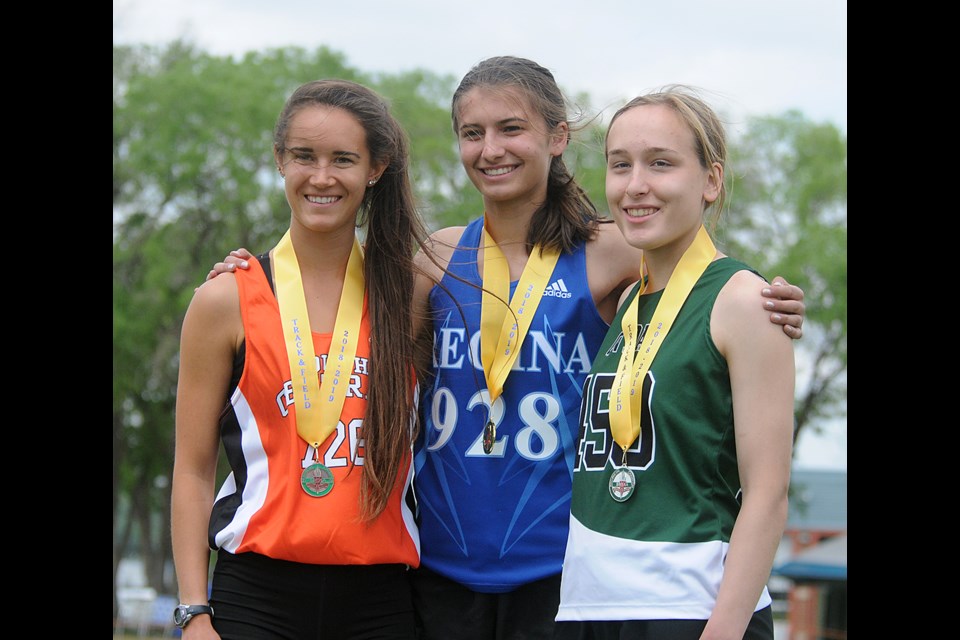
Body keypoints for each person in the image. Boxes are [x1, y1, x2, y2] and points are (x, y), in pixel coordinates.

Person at [207, 57, 805, 640]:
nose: (491, 149)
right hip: (440, 569)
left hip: (560, 573)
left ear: (558, 137)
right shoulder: (436, 258)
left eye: (511, 128)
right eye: (473, 133)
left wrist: (773, 297)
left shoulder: (612, 250)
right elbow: (337, 314)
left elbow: (695, 277)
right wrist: (248, 274)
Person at [171, 79, 430, 640]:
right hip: (256, 596)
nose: (321, 177)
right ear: (279, 161)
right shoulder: (225, 299)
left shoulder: (412, 296)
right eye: (303, 157)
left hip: (380, 597)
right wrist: (193, 611)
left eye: (343, 159)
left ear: (376, 168)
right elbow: (192, 469)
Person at [553, 86, 795, 640]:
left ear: (710, 180)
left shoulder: (742, 300)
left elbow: (768, 493)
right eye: (621, 166)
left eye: (660, 164)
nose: (636, 185)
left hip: (692, 609)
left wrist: (725, 628)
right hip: (589, 607)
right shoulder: (626, 303)